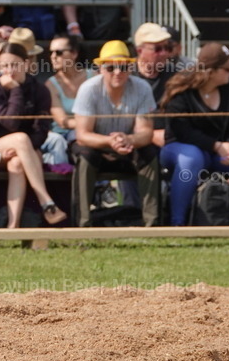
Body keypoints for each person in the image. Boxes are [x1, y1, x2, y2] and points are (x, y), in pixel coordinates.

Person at [160, 43, 229, 225]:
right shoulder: (182, 89)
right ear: (210, 71)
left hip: (222, 150)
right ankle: (177, 223)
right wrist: (216, 146)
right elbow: (182, 131)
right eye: (227, 69)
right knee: (191, 159)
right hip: (181, 147)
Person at [70, 40, 160, 227]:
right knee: (85, 155)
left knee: (150, 153)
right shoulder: (88, 89)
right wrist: (110, 141)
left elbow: (146, 133)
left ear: (130, 68)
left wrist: (128, 139)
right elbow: (83, 135)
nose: (118, 72)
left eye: (124, 67)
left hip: (128, 146)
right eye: (111, 68)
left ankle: (152, 223)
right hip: (95, 147)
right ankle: (82, 224)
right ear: (100, 69)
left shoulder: (143, 88)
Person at [0, 42, 67, 227]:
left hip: (26, 150)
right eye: (4, 65)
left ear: (26, 63)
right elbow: (11, 123)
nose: (9, 70)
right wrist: (15, 90)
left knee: (17, 162)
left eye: (15, 65)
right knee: (21, 138)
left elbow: (42, 130)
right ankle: (47, 202)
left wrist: (25, 150)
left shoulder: (40, 90)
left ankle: (12, 226)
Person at [42, 34, 89, 166]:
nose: (53, 56)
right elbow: (63, 122)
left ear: (74, 54)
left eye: (59, 52)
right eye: (51, 52)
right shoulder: (50, 85)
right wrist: (90, 124)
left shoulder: (93, 77)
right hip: (64, 138)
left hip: (90, 131)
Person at [131, 22, 175, 147]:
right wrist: (151, 135)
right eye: (158, 49)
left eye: (167, 48)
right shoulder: (126, 76)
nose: (164, 53)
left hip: (168, 138)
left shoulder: (175, 75)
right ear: (140, 50)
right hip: (133, 139)